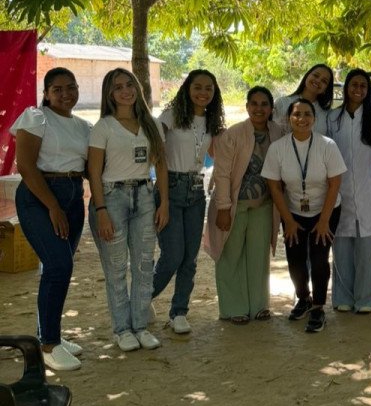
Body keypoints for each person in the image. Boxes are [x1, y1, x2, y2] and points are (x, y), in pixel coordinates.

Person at [12, 68, 92, 370]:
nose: (65, 94)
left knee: (58, 267)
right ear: (46, 93)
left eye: (71, 87)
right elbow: (26, 166)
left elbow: (90, 166)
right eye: (57, 89)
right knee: (59, 265)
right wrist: (53, 207)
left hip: (72, 195)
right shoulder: (36, 117)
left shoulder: (84, 126)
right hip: (40, 195)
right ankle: (48, 344)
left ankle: (48, 332)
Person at [87, 68, 168, 352]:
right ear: (109, 94)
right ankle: (123, 329)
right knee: (117, 268)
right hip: (112, 198)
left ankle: (140, 326)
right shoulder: (104, 127)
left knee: (145, 265)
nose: (126, 91)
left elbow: (161, 166)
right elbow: (94, 172)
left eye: (129, 84)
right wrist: (100, 210)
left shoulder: (151, 124)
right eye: (118, 87)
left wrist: (164, 203)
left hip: (145, 196)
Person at [152, 69, 225, 335]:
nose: (203, 93)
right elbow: (155, 156)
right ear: (187, 88)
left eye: (209, 88)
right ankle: (140, 300)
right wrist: (162, 201)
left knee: (189, 259)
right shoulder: (169, 117)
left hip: (196, 190)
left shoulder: (211, 122)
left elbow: (220, 155)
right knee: (172, 255)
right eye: (198, 87)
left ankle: (179, 312)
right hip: (168, 187)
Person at [264, 98, 346, 333]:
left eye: (307, 114)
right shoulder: (278, 148)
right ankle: (303, 298)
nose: (302, 119)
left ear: (314, 118)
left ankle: (319, 307)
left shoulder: (327, 145)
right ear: (289, 118)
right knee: (295, 259)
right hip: (293, 212)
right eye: (297, 114)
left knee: (320, 258)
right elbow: (275, 187)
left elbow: (335, 183)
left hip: (326, 209)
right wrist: (288, 221)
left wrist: (323, 221)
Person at [206, 86, 284, 325]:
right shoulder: (233, 134)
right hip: (233, 206)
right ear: (247, 106)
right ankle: (233, 308)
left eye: (264, 104)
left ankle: (259, 306)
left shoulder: (279, 132)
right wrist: (223, 208)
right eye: (254, 104)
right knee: (231, 255)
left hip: (264, 205)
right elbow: (221, 174)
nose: (259, 109)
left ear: (271, 108)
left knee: (259, 256)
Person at [326, 69, 371, 314]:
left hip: (369, 191)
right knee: (340, 248)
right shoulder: (332, 118)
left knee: (367, 250)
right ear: (346, 87)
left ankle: (366, 299)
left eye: (363, 86)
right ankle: (342, 297)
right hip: (338, 192)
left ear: (368, 90)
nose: (358, 89)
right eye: (354, 84)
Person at [274, 63, 335, 134]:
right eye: (316, 75)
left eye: (324, 81)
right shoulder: (282, 103)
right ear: (307, 76)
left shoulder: (327, 114)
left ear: (326, 89)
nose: (318, 81)